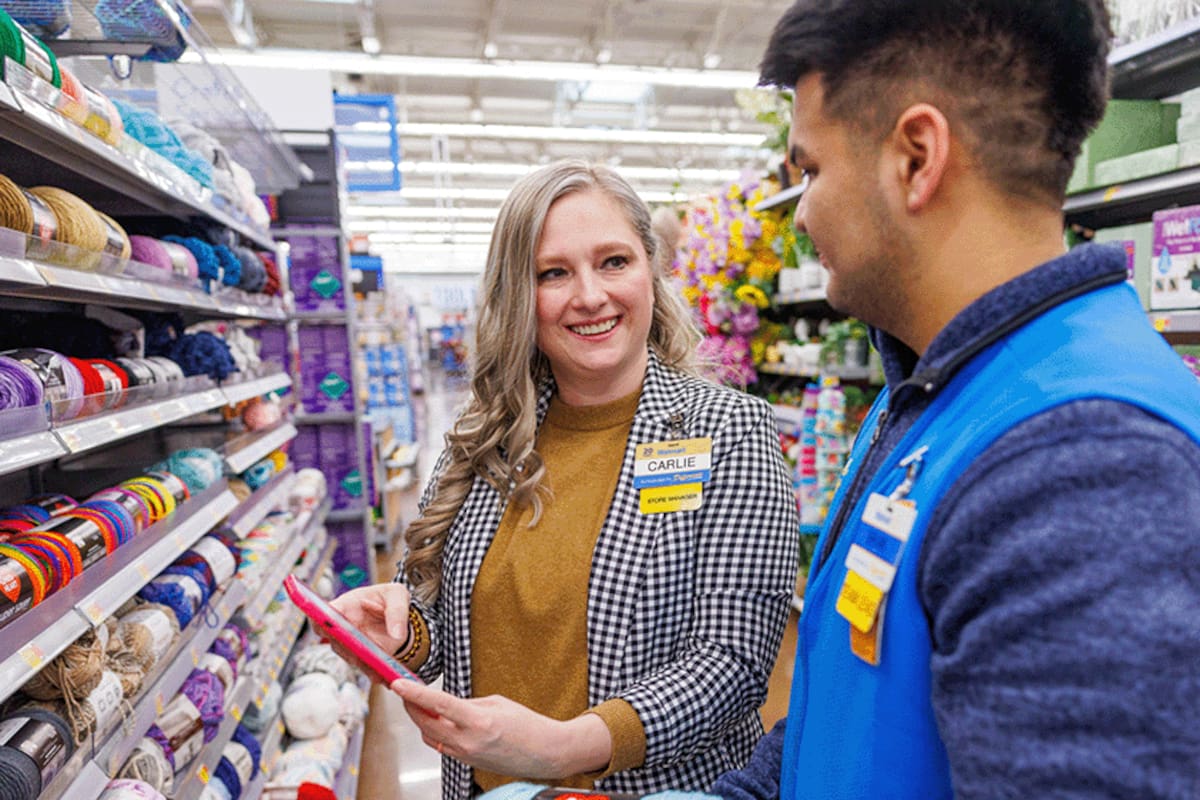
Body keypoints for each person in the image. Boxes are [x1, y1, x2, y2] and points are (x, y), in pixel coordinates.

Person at [707, 2, 1200, 799]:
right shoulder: (934, 394)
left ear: (916, 157)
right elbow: (846, 710)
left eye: (811, 171)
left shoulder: (1083, 464)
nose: (800, 215)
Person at [333, 159, 800, 799]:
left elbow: (730, 664)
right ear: (519, 294)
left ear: (652, 269)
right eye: (553, 272)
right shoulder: (485, 436)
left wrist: (561, 747)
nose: (589, 295)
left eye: (614, 262)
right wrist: (404, 633)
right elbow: (446, 617)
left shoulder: (729, 432)